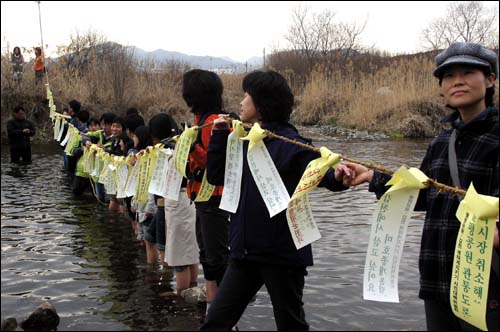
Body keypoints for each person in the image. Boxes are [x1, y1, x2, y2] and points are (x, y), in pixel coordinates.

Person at [339, 42, 499, 331]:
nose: (457, 81)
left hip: (484, 284)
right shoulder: (441, 143)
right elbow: (421, 196)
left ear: (489, 80)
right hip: (437, 276)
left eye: (467, 72)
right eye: (449, 76)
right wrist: (371, 176)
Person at [202, 70, 352, 330]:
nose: (240, 102)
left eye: (246, 96)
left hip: (281, 255)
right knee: (216, 321)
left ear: (261, 104)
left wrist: (337, 176)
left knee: (290, 324)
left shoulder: (288, 143)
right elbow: (216, 177)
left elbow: (318, 171)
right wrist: (218, 136)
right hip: (243, 253)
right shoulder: (243, 139)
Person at [182, 69, 230, 316]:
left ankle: (224, 315)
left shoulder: (213, 122)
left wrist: (193, 148)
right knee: (207, 254)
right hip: (201, 198)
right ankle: (213, 309)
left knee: (216, 256)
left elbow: (218, 165)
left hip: (214, 198)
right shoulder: (200, 120)